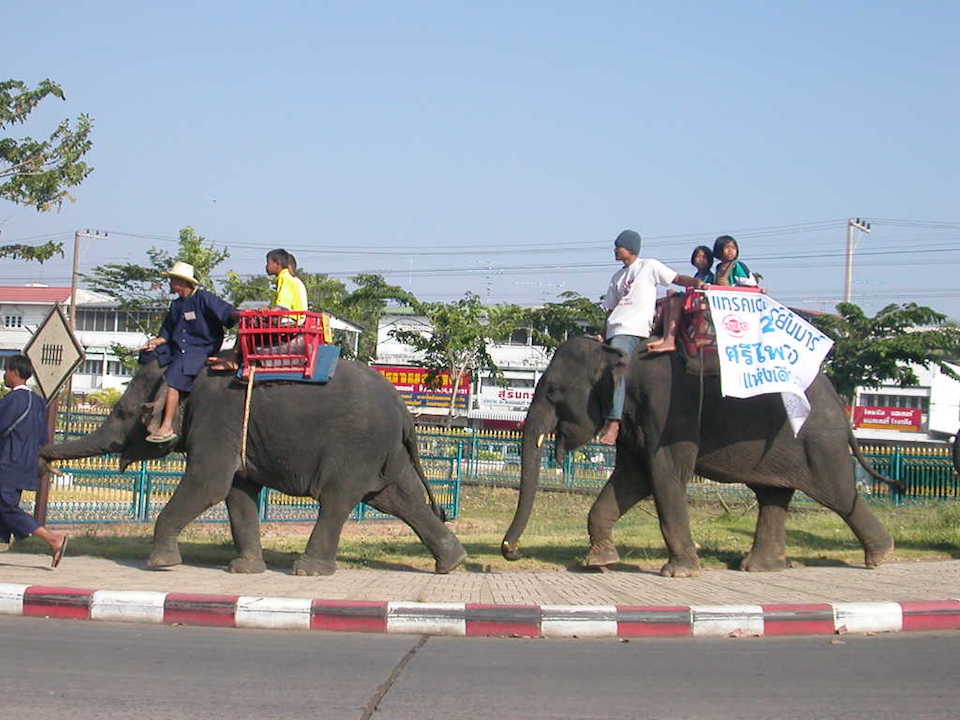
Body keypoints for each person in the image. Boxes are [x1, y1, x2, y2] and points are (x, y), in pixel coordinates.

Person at [598, 230, 706, 444]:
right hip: (614, 329)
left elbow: (676, 278)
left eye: (618, 246)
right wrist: (602, 334)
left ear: (630, 248)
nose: (615, 250)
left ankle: (614, 422)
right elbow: (610, 310)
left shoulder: (649, 266)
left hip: (632, 329)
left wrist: (696, 283)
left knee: (618, 368)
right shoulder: (617, 277)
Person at [143, 261, 239, 443]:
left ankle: (167, 425)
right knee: (151, 356)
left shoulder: (203, 298)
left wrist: (243, 314)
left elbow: (228, 312)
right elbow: (167, 332)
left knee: (174, 378)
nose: (170, 284)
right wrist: (156, 341)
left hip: (200, 349)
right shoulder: (177, 305)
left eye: (173, 280)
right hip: (179, 347)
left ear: (182, 282)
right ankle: (154, 404)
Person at [0, 355, 68, 567]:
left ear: (15, 372)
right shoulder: (39, 402)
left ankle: (53, 539)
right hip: (26, 464)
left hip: (8, 462)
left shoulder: (11, 401)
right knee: (5, 507)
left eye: (6, 370)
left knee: (5, 507)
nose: (4, 374)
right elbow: (44, 438)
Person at [266, 248, 308, 315]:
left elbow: (282, 305)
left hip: (292, 317)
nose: (266, 266)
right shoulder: (291, 278)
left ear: (277, 263)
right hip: (297, 316)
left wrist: (269, 310)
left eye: (268, 263)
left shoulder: (285, 278)